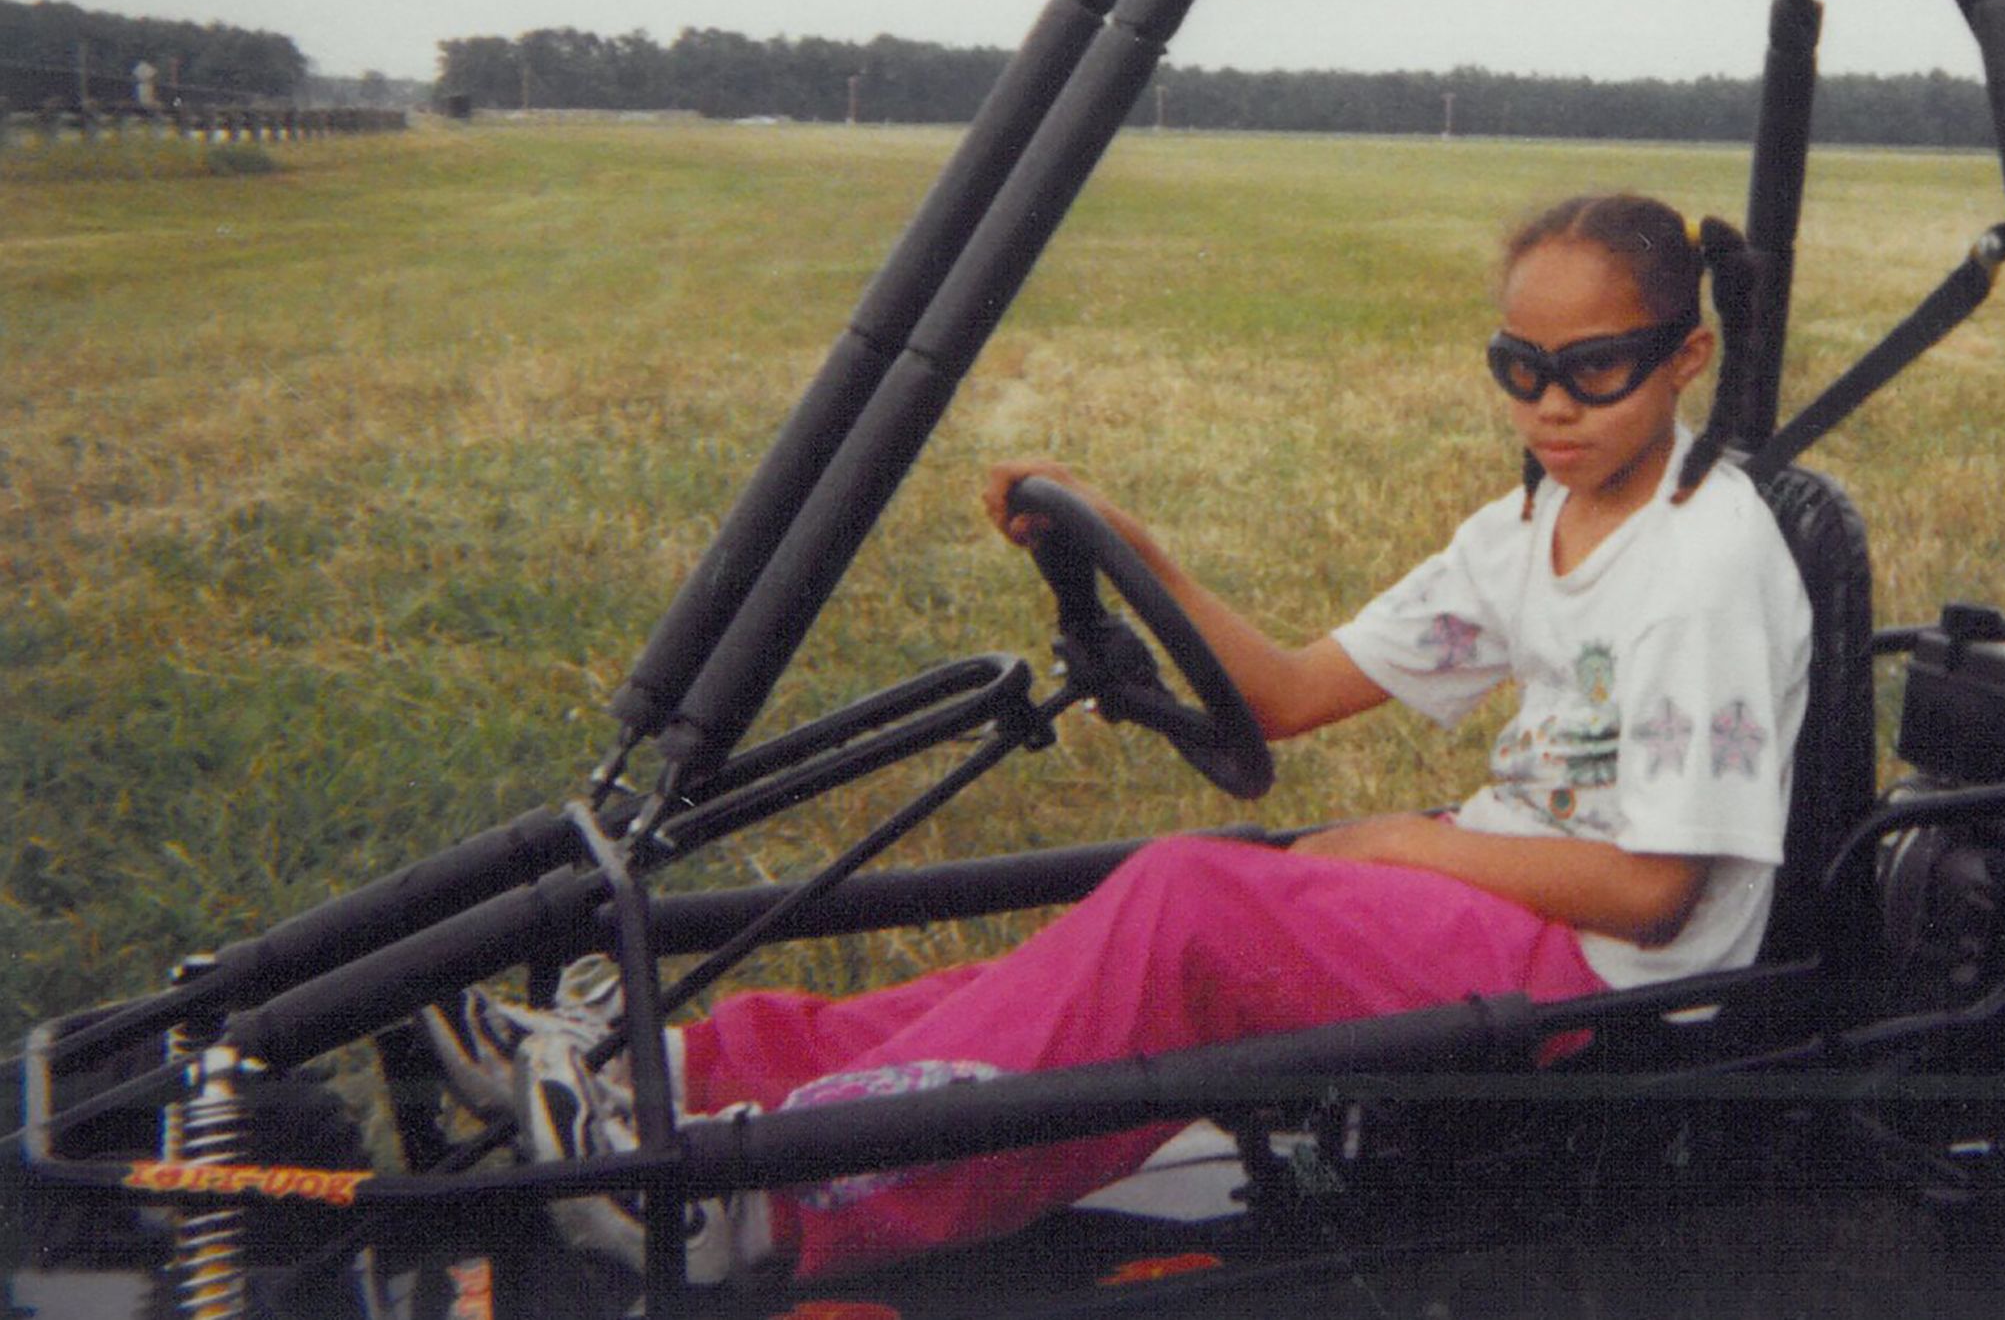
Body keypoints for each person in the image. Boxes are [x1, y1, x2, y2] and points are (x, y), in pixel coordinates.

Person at [430, 192, 1814, 1285]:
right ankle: (683, 1078)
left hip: (1614, 982)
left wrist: (1405, 844)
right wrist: (1127, 540)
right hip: (1513, 900)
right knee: (1105, 943)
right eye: (1519, 369)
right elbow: (1283, 690)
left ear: (1684, 356)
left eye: (1593, 372)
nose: (1550, 407)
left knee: (1187, 905)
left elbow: (1656, 888)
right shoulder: (1529, 527)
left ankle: (783, 1200)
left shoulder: (1700, 569)